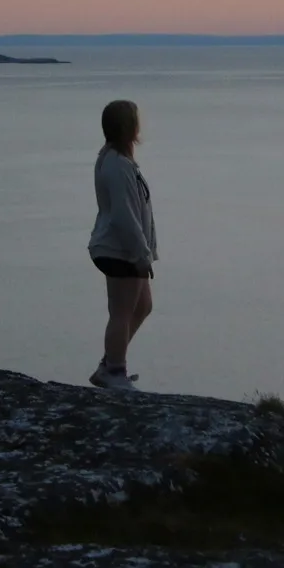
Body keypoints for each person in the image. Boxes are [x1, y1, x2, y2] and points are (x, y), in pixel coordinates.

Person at [87, 98, 157, 392]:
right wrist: (141, 254)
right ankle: (114, 371)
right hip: (120, 250)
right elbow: (124, 216)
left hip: (122, 248)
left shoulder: (118, 160)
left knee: (142, 306)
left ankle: (110, 363)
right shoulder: (116, 165)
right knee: (122, 311)